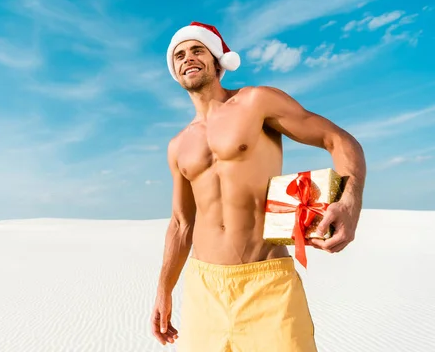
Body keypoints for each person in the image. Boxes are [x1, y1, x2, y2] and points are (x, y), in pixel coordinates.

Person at [150, 22, 366, 351]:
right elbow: (181, 223)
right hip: (203, 290)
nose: (187, 58)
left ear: (218, 59)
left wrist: (350, 202)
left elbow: (337, 139)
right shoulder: (177, 145)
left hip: (267, 282)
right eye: (179, 54)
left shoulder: (256, 102)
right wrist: (164, 290)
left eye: (197, 50)